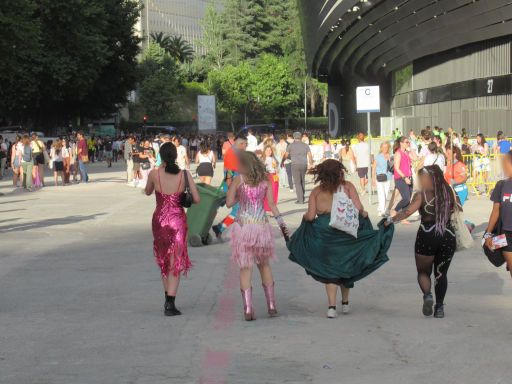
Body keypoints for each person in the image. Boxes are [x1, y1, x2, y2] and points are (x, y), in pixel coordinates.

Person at [288, 160, 393, 318]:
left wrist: (304, 217)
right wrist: (364, 216)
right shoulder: (348, 186)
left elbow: (310, 216)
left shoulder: (316, 191)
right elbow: (359, 209)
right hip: (346, 232)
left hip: (324, 234)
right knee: (346, 265)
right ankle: (345, 303)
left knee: (331, 270)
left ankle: (331, 307)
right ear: (339, 172)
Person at [386, 165, 458, 318]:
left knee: (423, 272)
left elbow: (407, 212)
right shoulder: (450, 191)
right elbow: (458, 209)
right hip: (448, 235)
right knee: (441, 274)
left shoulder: (421, 195)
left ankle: (428, 295)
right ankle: (439, 308)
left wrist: (390, 220)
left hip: (427, 235)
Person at [226, 151, 288, 321]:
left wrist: (239, 195)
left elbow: (229, 203)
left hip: (244, 227)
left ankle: (248, 309)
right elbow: (273, 206)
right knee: (265, 265)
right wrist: (283, 226)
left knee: (246, 268)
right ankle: (272, 305)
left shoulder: (239, 180)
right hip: (262, 227)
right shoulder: (265, 180)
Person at [145, 142, 200, 316]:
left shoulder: (154, 174)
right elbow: (197, 199)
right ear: (176, 156)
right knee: (175, 262)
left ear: (160, 156)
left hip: (159, 219)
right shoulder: (184, 174)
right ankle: (171, 303)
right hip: (177, 220)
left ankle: (167, 299)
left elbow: (147, 192)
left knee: (163, 260)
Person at [212, 134, 248, 240]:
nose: (246, 146)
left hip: (236, 186)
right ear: (240, 144)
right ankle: (220, 228)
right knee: (237, 211)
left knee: (240, 210)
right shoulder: (232, 154)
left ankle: (220, 228)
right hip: (233, 186)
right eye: (245, 144)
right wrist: (232, 190)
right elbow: (229, 174)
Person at [485, 150, 512, 279]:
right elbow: (495, 210)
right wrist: (488, 233)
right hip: (506, 234)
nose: (504, 167)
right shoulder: (501, 185)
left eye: (506, 163)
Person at [281, 132, 313, 204]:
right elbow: (310, 155)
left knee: (297, 182)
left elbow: (286, 155)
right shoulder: (305, 145)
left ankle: (300, 199)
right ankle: (302, 196)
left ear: (294, 137)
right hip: (304, 164)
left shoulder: (291, 146)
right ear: (301, 137)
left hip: (295, 165)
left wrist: (282, 161)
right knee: (302, 180)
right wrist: (311, 163)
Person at [392, 137, 414, 220]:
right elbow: (396, 168)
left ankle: (403, 218)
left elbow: (415, 159)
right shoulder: (398, 153)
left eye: (408, 142)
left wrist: (411, 149)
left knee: (408, 200)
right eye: (406, 142)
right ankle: (394, 210)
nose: (408, 143)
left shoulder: (407, 152)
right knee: (406, 198)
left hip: (409, 177)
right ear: (401, 143)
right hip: (401, 178)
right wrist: (404, 178)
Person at [373, 142, 393, 217]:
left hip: (388, 177)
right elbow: (374, 168)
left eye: (386, 147)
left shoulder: (391, 156)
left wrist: (389, 160)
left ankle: (380, 207)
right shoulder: (378, 157)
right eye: (383, 147)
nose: (385, 149)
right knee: (381, 194)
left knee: (386, 194)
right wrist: (373, 178)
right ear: (381, 148)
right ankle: (382, 210)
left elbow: (392, 167)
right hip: (380, 177)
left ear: (388, 148)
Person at [263, 145, 279, 213]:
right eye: (267, 150)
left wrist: (276, 169)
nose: (269, 151)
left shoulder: (274, 159)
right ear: (264, 151)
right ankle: (264, 209)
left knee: (274, 193)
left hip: (274, 176)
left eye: (270, 150)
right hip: (266, 177)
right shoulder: (262, 159)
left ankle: (272, 210)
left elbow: (276, 169)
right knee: (265, 194)